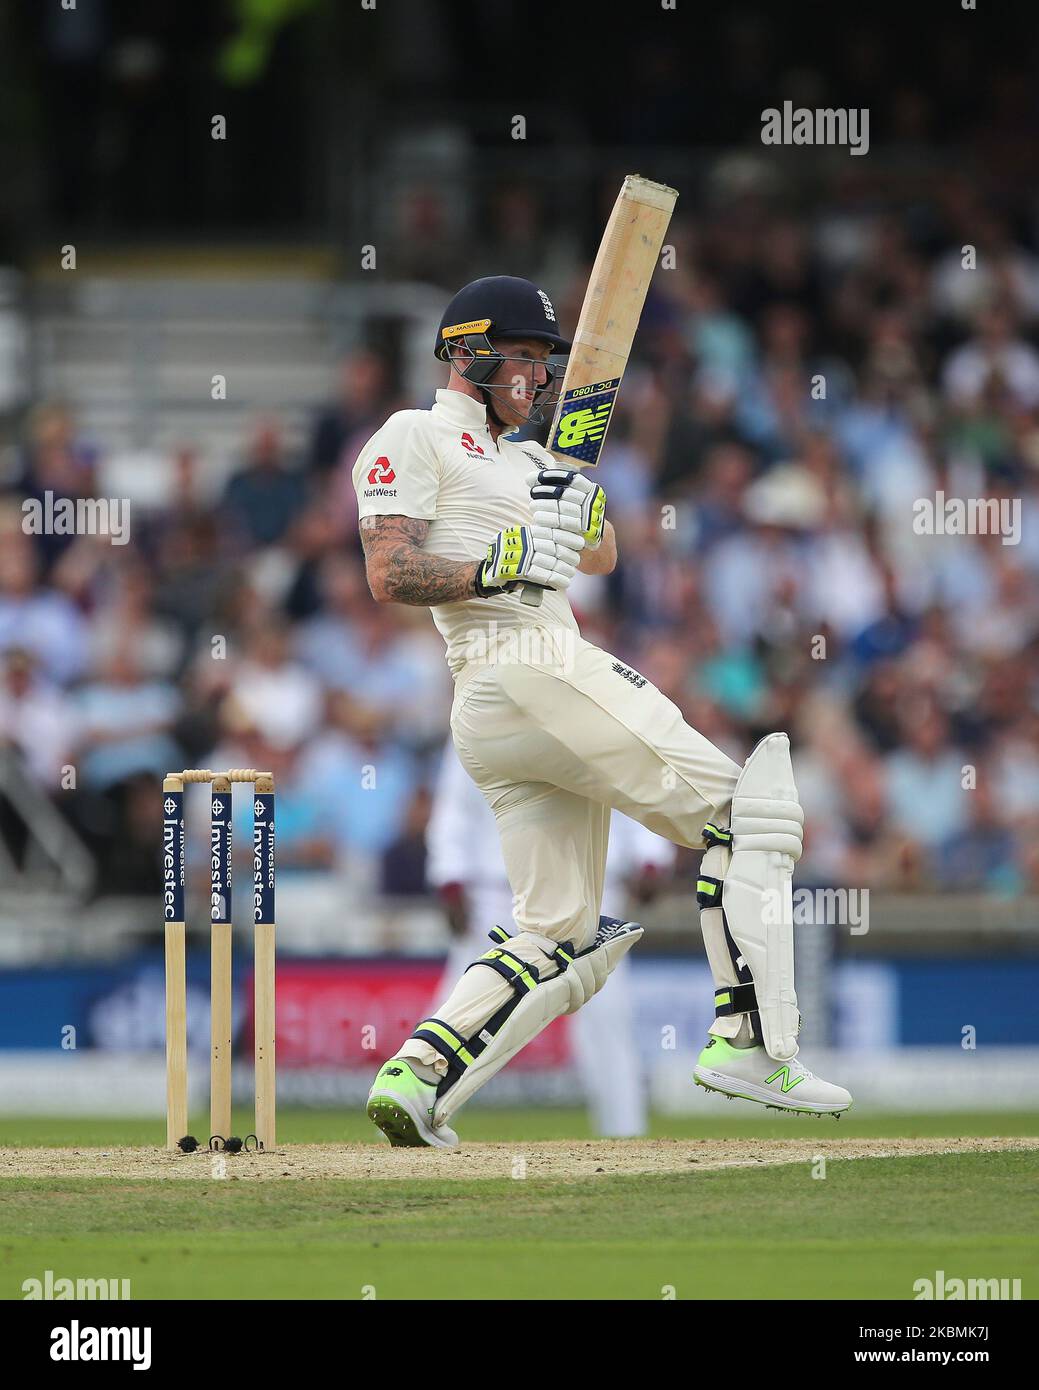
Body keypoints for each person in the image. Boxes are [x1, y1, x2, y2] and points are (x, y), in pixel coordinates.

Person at [353, 274, 851, 1147]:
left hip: (516, 710)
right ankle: (750, 1045)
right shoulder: (413, 434)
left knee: (560, 932)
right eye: (527, 358)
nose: (541, 378)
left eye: (549, 361)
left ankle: (420, 1076)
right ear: (468, 352)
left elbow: (604, 555)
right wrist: (496, 564)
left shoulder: (537, 457)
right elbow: (389, 573)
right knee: (753, 817)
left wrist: (577, 499)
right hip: (517, 667)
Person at [427, 741, 676, 1137]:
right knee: (458, 1012)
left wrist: (651, 856)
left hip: (588, 890)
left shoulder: (595, 714)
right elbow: (454, 810)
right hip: (495, 895)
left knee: (606, 1020)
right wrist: (450, 878)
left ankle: (625, 1135)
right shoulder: (477, 716)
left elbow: (632, 792)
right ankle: (412, 1114)